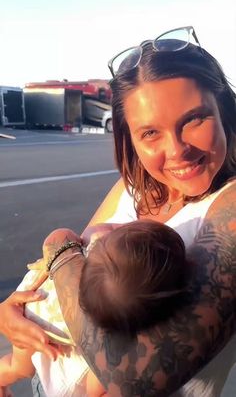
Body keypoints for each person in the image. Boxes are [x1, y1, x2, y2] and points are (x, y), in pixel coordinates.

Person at [0, 25, 235, 396]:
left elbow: (129, 377)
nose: (176, 152)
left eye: (194, 119)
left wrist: (56, 244)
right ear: (130, 138)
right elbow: (79, 275)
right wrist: (13, 310)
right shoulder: (133, 188)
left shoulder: (229, 204)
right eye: (151, 133)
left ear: (224, 110)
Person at [0, 219, 188, 396]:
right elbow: (94, 390)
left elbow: (61, 235)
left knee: (19, 366)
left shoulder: (99, 250)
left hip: (34, 302)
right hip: (42, 331)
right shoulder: (116, 343)